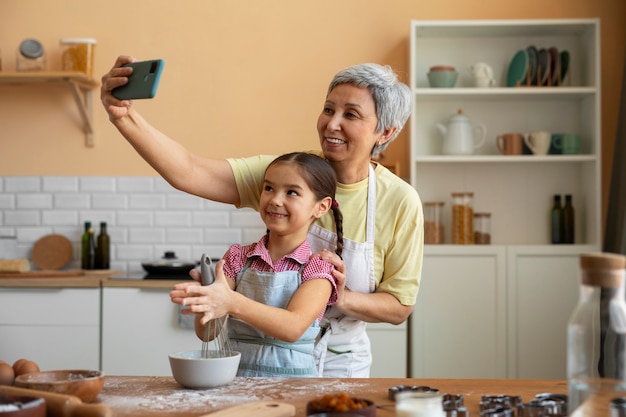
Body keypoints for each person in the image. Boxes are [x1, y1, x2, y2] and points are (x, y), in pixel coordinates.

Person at [100, 58, 423, 377]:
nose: (331, 124)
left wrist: (337, 295)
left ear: (385, 132)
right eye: (328, 109)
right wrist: (124, 117)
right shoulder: (287, 173)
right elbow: (189, 171)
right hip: (252, 363)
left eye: (350, 114)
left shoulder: (399, 201)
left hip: (341, 360)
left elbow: (399, 307)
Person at [171, 152, 343, 377]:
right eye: (269, 188)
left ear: (321, 207)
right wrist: (207, 299)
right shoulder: (237, 257)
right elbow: (207, 333)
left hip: (295, 391)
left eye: (291, 192)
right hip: (237, 385)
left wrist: (231, 301)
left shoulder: (318, 268)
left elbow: (292, 327)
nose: (275, 200)